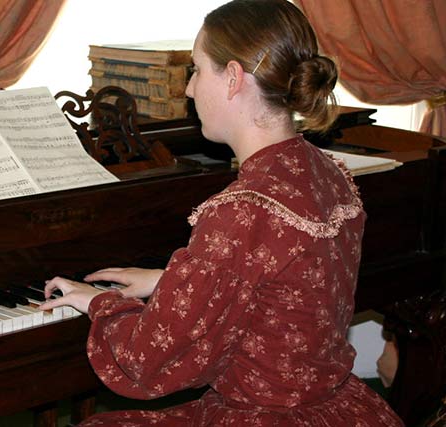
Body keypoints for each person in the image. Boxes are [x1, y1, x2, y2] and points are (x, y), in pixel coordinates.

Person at [37, 1, 404, 425]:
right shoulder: (324, 170)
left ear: (232, 78)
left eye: (195, 70)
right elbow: (284, 286)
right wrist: (167, 282)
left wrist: (101, 304)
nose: (190, 89)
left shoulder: (242, 209)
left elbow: (148, 359)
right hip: (332, 405)